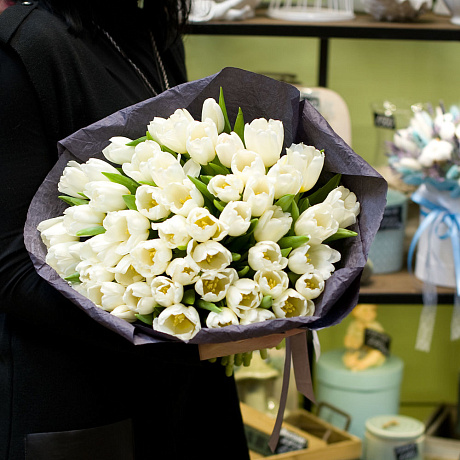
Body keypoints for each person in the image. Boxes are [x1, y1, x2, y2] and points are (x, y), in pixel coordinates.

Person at [0, 1, 250, 459]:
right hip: (80, 398)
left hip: (186, 388)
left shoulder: (154, 33)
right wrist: (181, 339)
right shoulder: (25, 48)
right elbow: (12, 271)